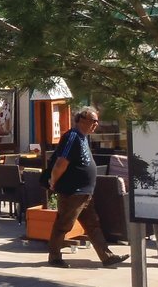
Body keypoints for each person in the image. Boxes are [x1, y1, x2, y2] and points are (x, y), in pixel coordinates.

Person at [46, 106, 129, 268]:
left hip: (85, 193)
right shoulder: (72, 137)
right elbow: (61, 163)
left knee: (93, 225)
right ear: (81, 120)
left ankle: (107, 257)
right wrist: (53, 181)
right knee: (63, 225)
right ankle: (54, 257)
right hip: (73, 192)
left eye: (97, 121)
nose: (96, 124)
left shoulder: (83, 137)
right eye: (93, 121)